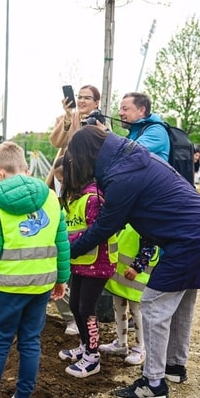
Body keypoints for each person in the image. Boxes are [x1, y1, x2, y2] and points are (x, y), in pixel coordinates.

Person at [62, 127, 200, 398]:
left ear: (87, 154)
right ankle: (174, 367)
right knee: (182, 301)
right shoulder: (131, 159)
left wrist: (67, 251)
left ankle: (153, 383)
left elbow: (106, 225)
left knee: (153, 302)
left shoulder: (122, 175)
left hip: (190, 236)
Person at [0, 141, 70, 398]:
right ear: (25, 168)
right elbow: (61, 242)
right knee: (30, 342)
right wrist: (61, 278)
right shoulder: (51, 197)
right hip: (41, 284)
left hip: (9, 286)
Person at [57, 173, 117, 378]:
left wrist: (70, 243)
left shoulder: (93, 200)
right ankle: (84, 345)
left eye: (63, 179)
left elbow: (96, 230)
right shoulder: (74, 201)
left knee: (87, 309)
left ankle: (93, 357)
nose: (62, 184)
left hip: (98, 262)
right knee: (75, 305)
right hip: (81, 261)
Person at [99, 225, 159, 365]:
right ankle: (121, 343)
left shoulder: (145, 224)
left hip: (135, 279)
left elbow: (149, 248)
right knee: (118, 308)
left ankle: (140, 348)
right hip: (121, 276)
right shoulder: (129, 219)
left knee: (136, 312)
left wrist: (137, 267)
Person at [46, 84, 103, 192]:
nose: (81, 101)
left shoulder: (101, 122)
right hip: (63, 175)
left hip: (89, 178)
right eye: (79, 97)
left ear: (96, 103)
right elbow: (55, 142)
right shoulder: (63, 119)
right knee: (61, 206)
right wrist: (68, 116)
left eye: (87, 98)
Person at [50, 156, 79, 335]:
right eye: (57, 181)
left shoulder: (84, 196)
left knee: (77, 289)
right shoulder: (60, 197)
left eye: (62, 180)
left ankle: (79, 319)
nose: (59, 184)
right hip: (64, 245)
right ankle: (71, 319)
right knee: (60, 281)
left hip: (81, 247)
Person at [118, 92, 169, 161]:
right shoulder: (135, 132)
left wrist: (106, 135)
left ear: (141, 110)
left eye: (125, 109)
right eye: (120, 109)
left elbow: (131, 151)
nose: (120, 113)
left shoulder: (157, 131)